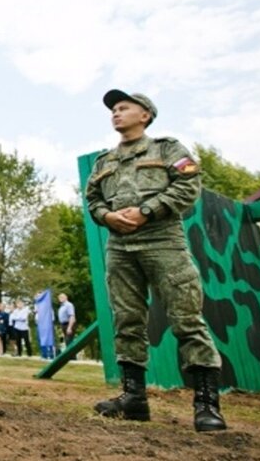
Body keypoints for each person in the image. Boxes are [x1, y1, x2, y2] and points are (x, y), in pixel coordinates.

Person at [84, 89, 226, 432]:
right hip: (120, 247)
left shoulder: (168, 149)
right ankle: (134, 398)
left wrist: (147, 211)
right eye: (113, 110)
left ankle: (207, 404)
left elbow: (188, 186)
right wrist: (106, 217)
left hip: (164, 242)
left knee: (186, 318)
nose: (115, 113)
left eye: (123, 108)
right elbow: (92, 199)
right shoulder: (104, 161)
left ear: (145, 114)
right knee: (126, 320)